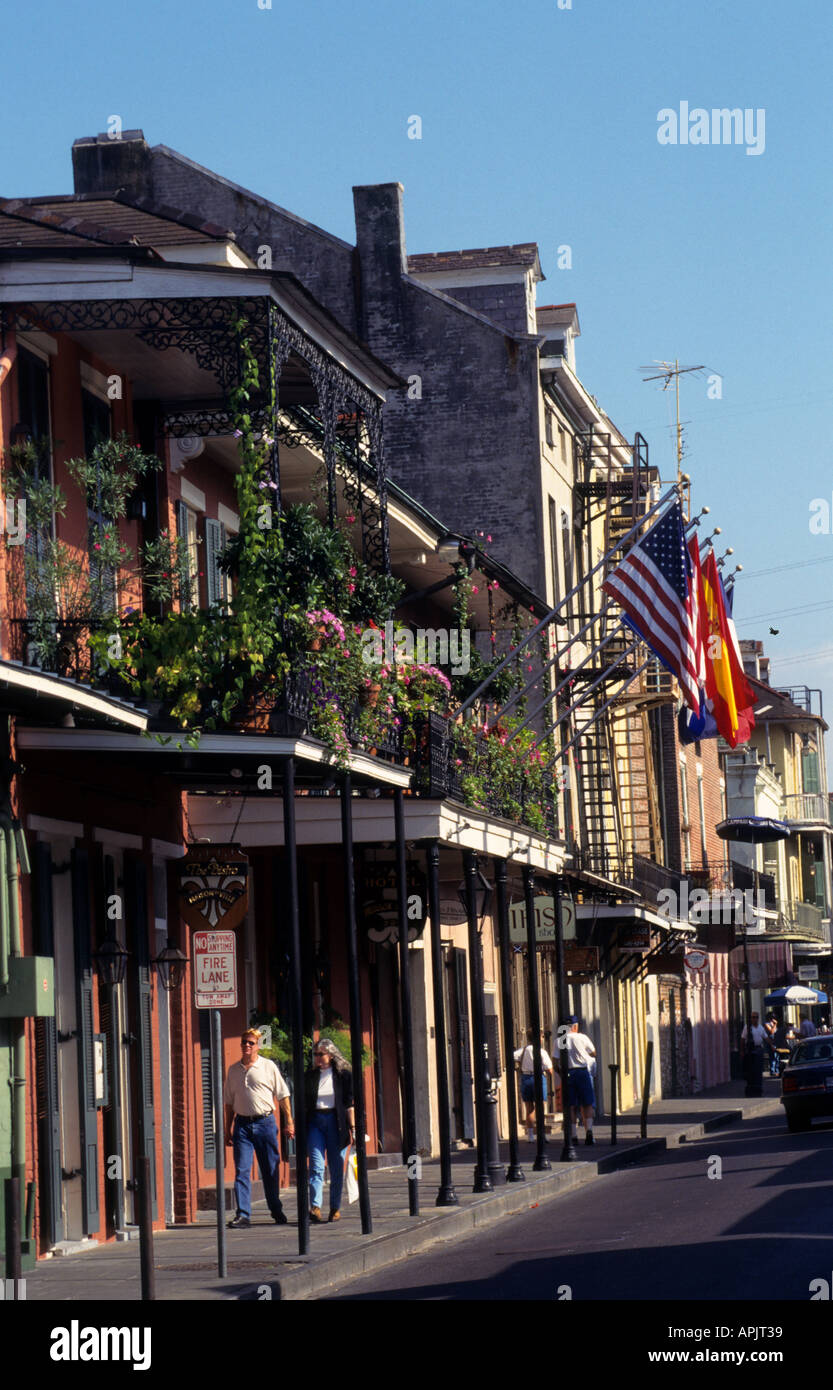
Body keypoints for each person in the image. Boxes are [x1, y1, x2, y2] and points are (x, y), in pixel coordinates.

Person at [224, 1027, 294, 1229]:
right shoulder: (234, 1070)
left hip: (265, 1123)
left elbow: (283, 1095)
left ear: (257, 1046)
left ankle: (275, 1208)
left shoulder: (268, 1066)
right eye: (244, 1042)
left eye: (251, 1043)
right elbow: (228, 1103)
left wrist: (289, 1121)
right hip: (242, 1125)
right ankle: (243, 1214)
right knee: (242, 1170)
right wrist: (227, 1129)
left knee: (270, 1169)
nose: (246, 1045)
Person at [304, 1039, 355, 1223]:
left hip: (336, 1121)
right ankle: (315, 1207)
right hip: (316, 1121)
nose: (317, 1058)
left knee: (336, 1167)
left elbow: (349, 1104)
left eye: (321, 1054)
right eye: (315, 1054)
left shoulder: (343, 1075)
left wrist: (353, 1128)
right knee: (316, 1166)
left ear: (331, 1055)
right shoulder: (309, 1076)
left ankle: (335, 1207)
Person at [513, 1029, 554, 1143]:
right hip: (538, 1077)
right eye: (542, 1037)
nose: (542, 1039)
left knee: (529, 1108)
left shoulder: (523, 1050)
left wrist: (521, 1064)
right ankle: (542, 1134)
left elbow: (513, 1057)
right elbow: (549, 1069)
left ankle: (530, 1136)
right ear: (538, 1038)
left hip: (525, 1078)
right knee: (541, 1107)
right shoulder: (541, 1052)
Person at [562, 1016, 597, 1146]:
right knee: (587, 1103)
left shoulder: (561, 1040)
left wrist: (561, 1072)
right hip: (582, 1071)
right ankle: (589, 1132)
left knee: (571, 1105)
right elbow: (594, 1053)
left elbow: (555, 1060)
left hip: (568, 1072)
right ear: (575, 1026)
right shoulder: (583, 1038)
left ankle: (573, 1135)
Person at [740, 1011, 767, 1097]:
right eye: (753, 1017)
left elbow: (766, 1037)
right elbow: (742, 1039)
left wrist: (773, 1044)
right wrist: (742, 1051)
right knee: (751, 1070)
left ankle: (758, 1087)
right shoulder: (747, 1027)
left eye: (756, 1017)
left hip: (758, 1049)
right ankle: (751, 1087)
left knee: (759, 1070)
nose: (754, 1019)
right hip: (750, 1050)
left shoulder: (760, 1028)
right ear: (750, 1018)